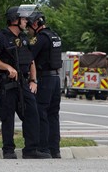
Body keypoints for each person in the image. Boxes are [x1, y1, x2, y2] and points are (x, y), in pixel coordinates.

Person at [0, 5, 52, 159]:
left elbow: (31, 61)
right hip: (6, 84)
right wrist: (7, 67)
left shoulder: (23, 38)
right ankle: (8, 150)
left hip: (23, 84)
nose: (26, 22)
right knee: (8, 118)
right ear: (15, 20)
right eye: (23, 19)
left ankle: (31, 149)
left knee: (32, 114)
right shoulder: (0, 37)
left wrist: (33, 80)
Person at [27, 10, 62, 158]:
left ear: (35, 24)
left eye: (29, 27)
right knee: (53, 115)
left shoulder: (40, 38)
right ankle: (55, 149)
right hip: (55, 79)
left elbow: (29, 56)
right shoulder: (55, 36)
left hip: (45, 79)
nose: (28, 30)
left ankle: (43, 148)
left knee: (41, 113)